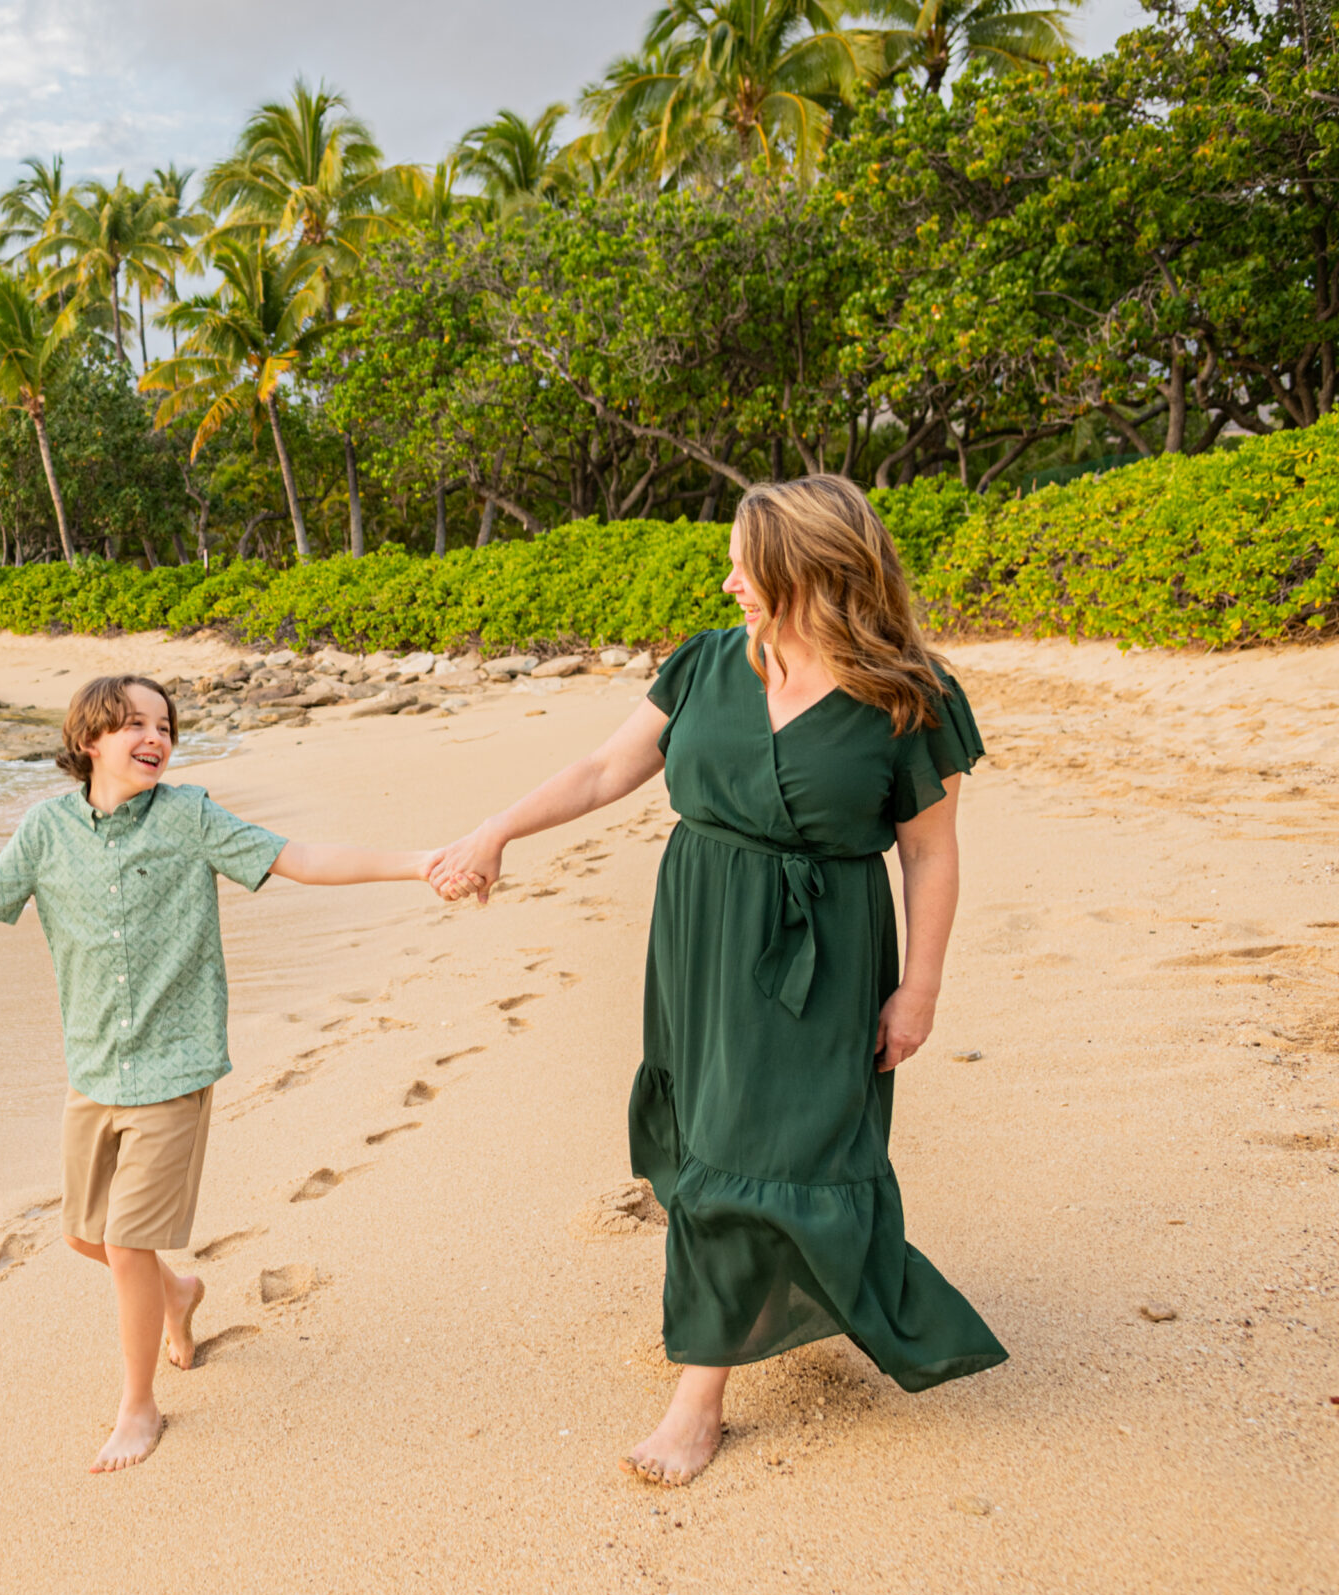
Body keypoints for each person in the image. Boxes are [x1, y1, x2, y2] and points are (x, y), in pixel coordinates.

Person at [427, 474, 1007, 1487]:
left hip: (824, 953)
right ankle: (764, 1307)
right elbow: (604, 772)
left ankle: (697, 1400)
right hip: (700, 934)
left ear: (814, 572)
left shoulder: (910, 695)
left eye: (751, 563)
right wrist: (495, 829)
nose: (730, 577)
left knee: (768, 1146)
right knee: (716, 1135)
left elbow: (930, 856)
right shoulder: (704, 666)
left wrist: (919, 990)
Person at [0, 674, 435, 1473]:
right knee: (84, 1235)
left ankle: (138, 1407)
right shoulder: (46, 831)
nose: (153, 736)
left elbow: (297, 857)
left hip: (175, 1060)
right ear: (89, 739)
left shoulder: (191, 817)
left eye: (163, 724)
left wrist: (420, 863)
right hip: (93, 1064)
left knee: (126, 1240)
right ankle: (179, 1293)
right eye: (132, 723)